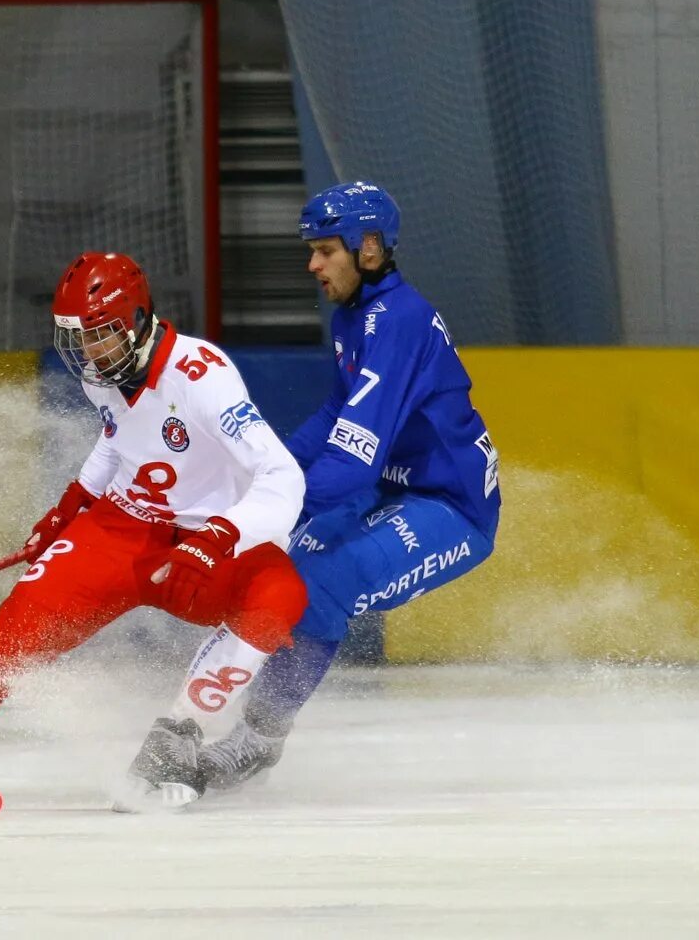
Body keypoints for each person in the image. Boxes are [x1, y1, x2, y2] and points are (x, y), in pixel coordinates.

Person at [0, 252, 307, 812]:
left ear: (135, 321)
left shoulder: (202, 377)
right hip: (120, 530)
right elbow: (119, 437)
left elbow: (283, 475)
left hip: (204, 544)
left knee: (279, 594)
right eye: (77, 337)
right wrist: (74, 502)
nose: (87, 351)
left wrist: (218, 536)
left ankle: (176, 738)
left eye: (99, 335)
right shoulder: (106, 373)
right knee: (14, 639)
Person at [197, 181, 502, 790]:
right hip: (394, 489)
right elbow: (333, 418)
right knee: (280, 560)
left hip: (450, 508)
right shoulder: (355, 318)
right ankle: (228, 709)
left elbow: (353, 462)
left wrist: (267, 508)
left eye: (325, 250)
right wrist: (268, 475)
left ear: (369, 248)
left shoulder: (399, 323)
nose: (312, 264)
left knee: (318, 586)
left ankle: (258, 741)